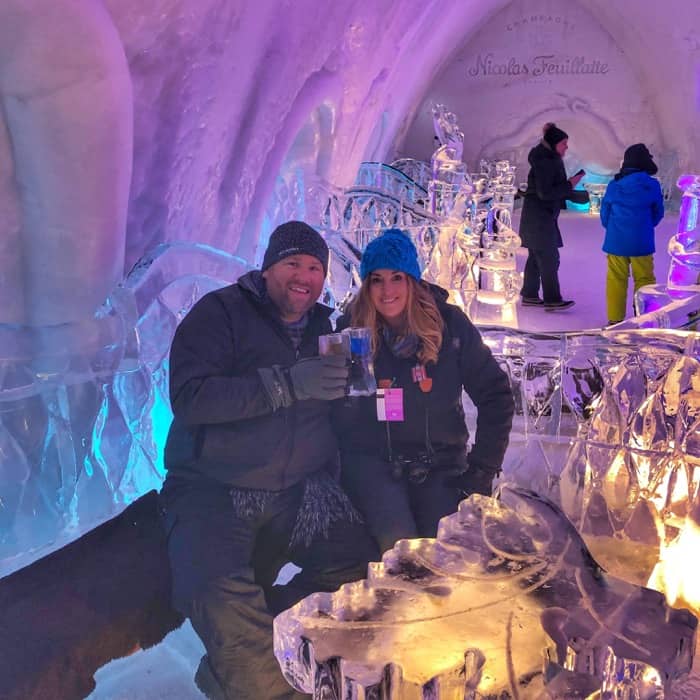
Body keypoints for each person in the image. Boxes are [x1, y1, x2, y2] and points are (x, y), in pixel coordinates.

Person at [160, 220, 378, 700]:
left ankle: (255, 645)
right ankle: (266, 681)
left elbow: (340, 412)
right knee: (216, 592)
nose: (304, 276)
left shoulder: (326, 328)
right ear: (267, 269)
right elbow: (191, 398)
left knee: (362, 570)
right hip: (215, 487)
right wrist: (286, 384)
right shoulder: (220, 312)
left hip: (299, 489)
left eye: (315, 267)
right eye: (292, 263)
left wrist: (368, 394)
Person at [333, 228, 515, 554]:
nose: (387, 290)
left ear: (412, 281)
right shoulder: (352, 330)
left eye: (397, 278)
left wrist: (482, 469)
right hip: (375, 464)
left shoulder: (450, 325)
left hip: (440, 463)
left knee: (444, 551)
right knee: (401, 549)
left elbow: (495, 394)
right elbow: (332, 407)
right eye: (376, 280)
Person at [518, 122, 588, 310]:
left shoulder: (545, 159)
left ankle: (530, 295)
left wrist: (571, 190)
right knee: (549, 257)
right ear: (554, 143)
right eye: (564, 143)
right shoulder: (546, 162)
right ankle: (552, 299)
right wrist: (570, 184)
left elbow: (546, 190)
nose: (566, 147)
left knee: (536, 257)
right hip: (540, 219)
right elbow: (546, 193)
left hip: (537, 217)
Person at [600, 143, 665, 324]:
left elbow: (605, 213)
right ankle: (644, 318)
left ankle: (615, 320)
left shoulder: (614, 185)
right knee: (644, 279)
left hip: (616, 241)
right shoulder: (652, 185)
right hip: (642, 242)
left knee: (616, 279)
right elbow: (658, 213)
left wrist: (612, 229)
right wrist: (645, 226)